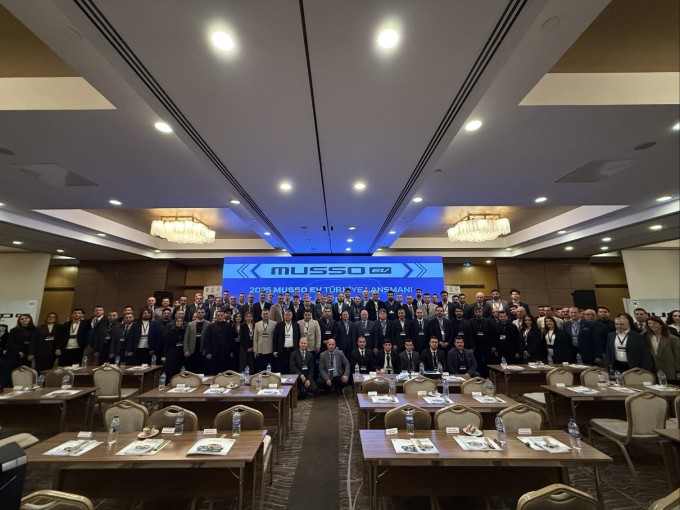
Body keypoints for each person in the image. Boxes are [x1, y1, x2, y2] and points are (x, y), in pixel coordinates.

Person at [1, 314, 36, 387]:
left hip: (27, 356)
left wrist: (29, 353)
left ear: (30, 319)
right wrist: (18, 352)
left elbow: (34, 343)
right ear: (19, 321)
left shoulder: (35, 330)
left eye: (26, 318)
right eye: (22, 319)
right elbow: (11, 343)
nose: (24, 320)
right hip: (13, 354)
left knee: (24, 373)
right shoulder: (14, 330)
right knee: (8, 372)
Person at [646, 316, 680, 383]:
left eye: (654, 323)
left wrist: (678, 370)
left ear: (661, 324)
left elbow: (678, 356)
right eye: (649, 323)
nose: (652, 325)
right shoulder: (648, 338)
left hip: (670, 369)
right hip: (655, 370)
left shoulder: (672, 338)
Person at [202, 310, 236, 374]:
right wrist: (208, 352)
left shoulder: (228, 326)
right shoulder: (211, 326)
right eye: (218, 315)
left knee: (224, 372)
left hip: (225, 353)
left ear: (224, 316)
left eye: (221, 315)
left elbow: (231, 339)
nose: (220, 317)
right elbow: (207, 339)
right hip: (213, 353)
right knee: (213, 371)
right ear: (215, 316)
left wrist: (231, 351)